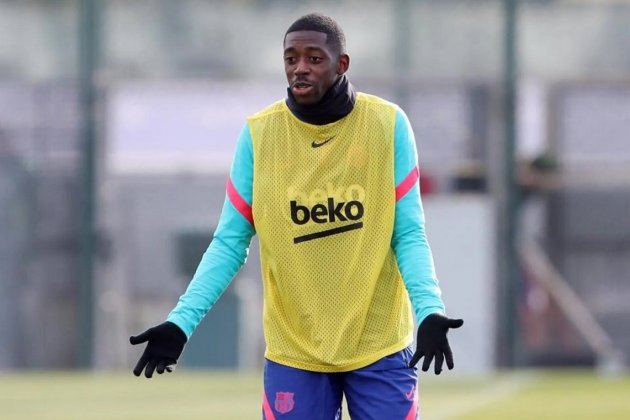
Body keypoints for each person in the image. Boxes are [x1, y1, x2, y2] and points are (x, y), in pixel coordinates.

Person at [130, 13, 463, 420]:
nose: (299, 68)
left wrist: (429, 309)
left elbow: (408, 233)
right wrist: (180, 323)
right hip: (295, 350)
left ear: (341, 64)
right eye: (291, 58)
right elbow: (230, 243)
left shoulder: (387, 125)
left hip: (378, 344)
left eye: (314, 58)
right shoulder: (259, 135)